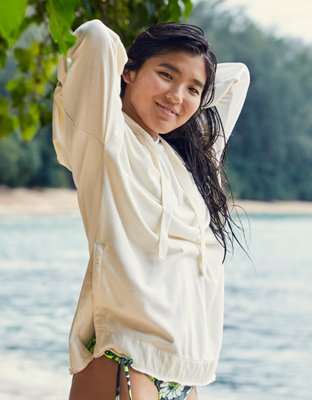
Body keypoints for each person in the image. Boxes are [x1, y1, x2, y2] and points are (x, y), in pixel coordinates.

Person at [52, 18, 249, 400]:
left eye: (193, 89)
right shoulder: (107, 138)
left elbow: (237, 78)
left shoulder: (188, 163)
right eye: (165, 74)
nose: (177, 96)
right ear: (128, 71)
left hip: (182, 371)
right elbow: (95, 38)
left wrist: (185, 75)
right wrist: (134, 65)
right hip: (124, 359)